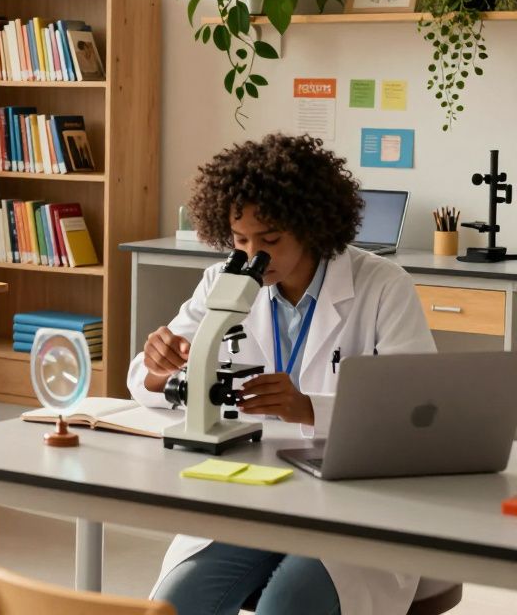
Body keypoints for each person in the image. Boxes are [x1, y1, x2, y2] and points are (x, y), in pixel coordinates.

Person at [127, 133, 436, 615]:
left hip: (352, 501)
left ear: (311, 226)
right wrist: (159, 365)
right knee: (176, 603)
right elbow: (145, 384)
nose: (253, 255)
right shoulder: (222, 282)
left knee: (287, 605)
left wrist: (308, 407)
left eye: (269, 240)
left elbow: (420, 411)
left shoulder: (381, 286)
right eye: (240, 240)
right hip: (251, 489)